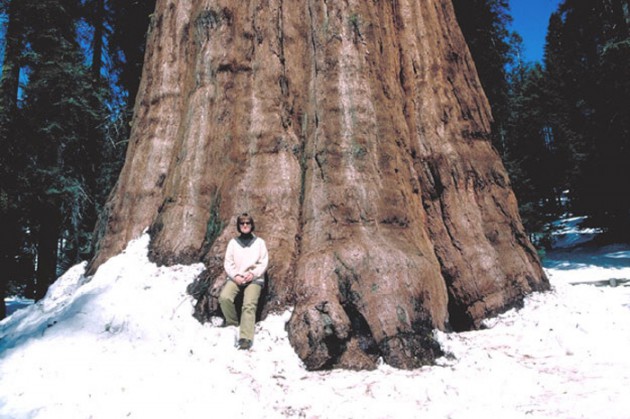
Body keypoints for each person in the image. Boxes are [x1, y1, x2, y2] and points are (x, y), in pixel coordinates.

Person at [218, 213, 269, 350]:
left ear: (252, 225)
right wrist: (235, 276)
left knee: (248, 305)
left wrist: (253, 274)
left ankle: (245, 337)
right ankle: (233, 323)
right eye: (242, 223)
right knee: (224, 297)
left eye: (247, 223)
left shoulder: (259, 243)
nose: (245, 225)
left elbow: (263, 263)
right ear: (239, 226)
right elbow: (228, 263)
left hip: (254, 279)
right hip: (237, 277)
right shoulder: (233, 243)